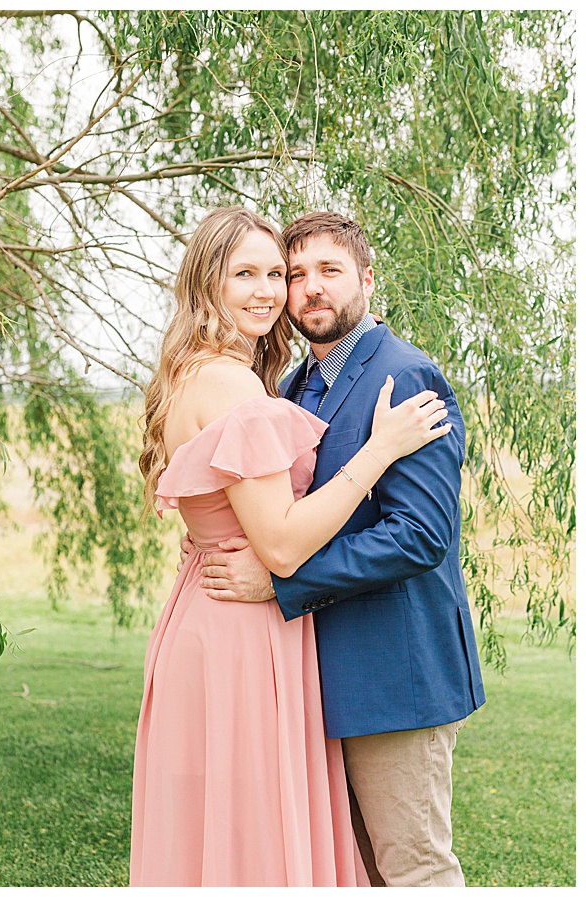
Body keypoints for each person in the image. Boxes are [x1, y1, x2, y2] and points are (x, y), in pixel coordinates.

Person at [131, 207, 453, 886]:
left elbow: (421, 534)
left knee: (411, 866)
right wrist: (376, 452)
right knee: (252, 846)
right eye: (276, 271)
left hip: (383, 669)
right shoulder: (260, 383)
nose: (287, 289)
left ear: (367, 279)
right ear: (206, 283)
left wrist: (282, 582)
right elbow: (276, 536)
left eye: (308, 272)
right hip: (246, 643)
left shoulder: (402, 374)